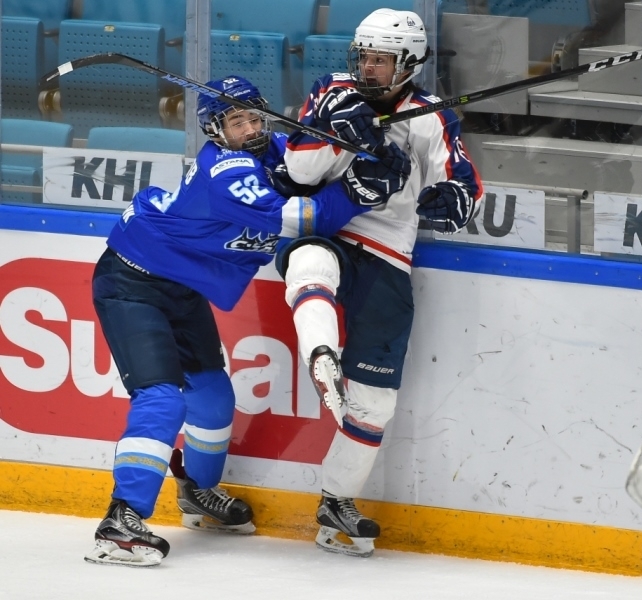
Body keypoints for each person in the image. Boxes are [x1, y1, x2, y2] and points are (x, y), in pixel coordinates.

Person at [86, 74, 411, 567]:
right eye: (237, 122)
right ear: (216, 131)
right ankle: (120, 520)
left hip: (182, 287)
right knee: (162, 399)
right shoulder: (226, 171)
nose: (251, 128)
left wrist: (365, 147)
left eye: (255, 117)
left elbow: (313, 164)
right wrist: (357, 190)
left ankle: (197, 493)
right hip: (133, 280)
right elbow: (305, 219)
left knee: (213, 397)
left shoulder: (274, 148)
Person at [277, 8, 484, 557]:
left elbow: (463, 182)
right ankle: (321, 355)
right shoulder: (332, 92)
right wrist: (336, 134)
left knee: (375, 402)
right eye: (364, 56)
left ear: (408, 64)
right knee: (310, 263)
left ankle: (336, 501)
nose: (368, 67)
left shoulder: (431, 116)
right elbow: (299, 171)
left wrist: (453, 201)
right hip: (329, 229)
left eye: (381, 59)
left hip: (389, 251)